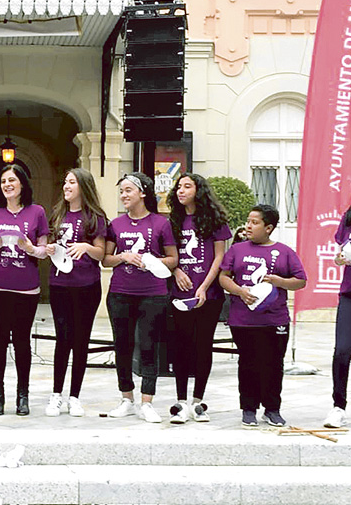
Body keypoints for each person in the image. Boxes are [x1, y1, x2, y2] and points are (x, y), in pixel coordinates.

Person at [219, 204, 307, 427]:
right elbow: (224, 277)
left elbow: (300, 281)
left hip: (275, 320)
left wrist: (280, 281)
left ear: (268, 227)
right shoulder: (237, 250)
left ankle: (272, 409)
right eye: (248, 221)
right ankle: (248, 409)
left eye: (254, 222)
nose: (248, 226)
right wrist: (239, 291)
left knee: (273, 364)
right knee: (248, 363)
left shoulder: (285, 252)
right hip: (243, 320)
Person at [102, 172, 178, 423]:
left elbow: (173, 259)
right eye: (121, 191)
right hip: (120, 293)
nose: (123, 195)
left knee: (148, 346)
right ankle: (126, 398)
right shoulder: (116, 224)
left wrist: (151, 261)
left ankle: (147, 401)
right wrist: (123, 256)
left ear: (143, 193)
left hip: (153, 294)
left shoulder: (161, 223)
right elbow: (106, 259)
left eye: (128, 190)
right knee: (122, 346)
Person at [0, 164, 48, 416]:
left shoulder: (37, 212)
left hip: (26, 288)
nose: (7, 185)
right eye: (3, 181)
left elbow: (43, 251)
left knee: (22, 342)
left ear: (22, 184)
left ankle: (23, 396)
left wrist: (29, 248)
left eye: (12, 180)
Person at [166, 173, 232, 423]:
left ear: (199, 191)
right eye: (179, 187)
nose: (181, 191)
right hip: (180, 294)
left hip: (209, 294)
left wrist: (204, 286)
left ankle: (197, 401)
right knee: (181, 345)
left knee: (203, 345)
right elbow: (168, 254)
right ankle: (181, 401)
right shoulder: (173, 220)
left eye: (187, 186)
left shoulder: (214, 220)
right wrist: (176, 271)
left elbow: (219, 256)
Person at [44, 169, 107, 418]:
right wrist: (50, 248)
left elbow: (101, 253)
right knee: (62, 339)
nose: (66, 186)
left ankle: (75, 397)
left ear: (83, 186)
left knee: (81, 340)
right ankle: (56, 394)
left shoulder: (95, 217)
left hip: (86, 285)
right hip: (59, 284)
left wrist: (86, 247)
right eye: (65, 182)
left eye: (72, 182)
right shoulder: (57, 214)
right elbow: (50, 242)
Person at [325, 191, 351, 428]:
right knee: (342, 350)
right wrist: (341, 259)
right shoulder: (349, 217)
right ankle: (338, 406)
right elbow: (340, 254)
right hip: (350, 294)